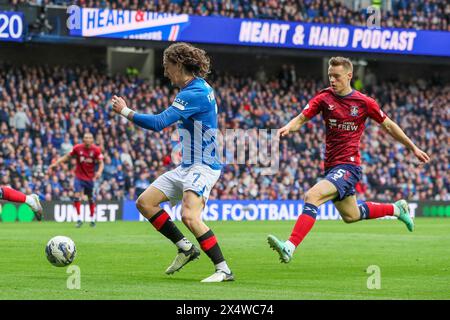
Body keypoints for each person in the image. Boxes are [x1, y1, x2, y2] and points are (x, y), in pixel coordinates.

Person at [268, 57, 430, 263]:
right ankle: (397, 209)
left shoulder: (364, 102)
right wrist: (288, 127)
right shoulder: (324, 98)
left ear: (349, 76)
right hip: (332, 167)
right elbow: (301, 119)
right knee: (351, 215)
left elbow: (389, 125)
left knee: (312, 196)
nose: (332, 80)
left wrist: (413, 147)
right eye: (330, 76)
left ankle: (289, 247)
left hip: (349, 166)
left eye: (337, 76)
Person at [111, 42, 233, 283]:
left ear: (178, 65)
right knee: (145, 203)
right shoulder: (197, 87)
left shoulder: (194, 93)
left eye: (167, 66)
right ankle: (185, 248)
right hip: (188, 165)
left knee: (189, 216)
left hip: (203, 166)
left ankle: (224, 269)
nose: (165, 72)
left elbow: (158, 123)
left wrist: (125, 111)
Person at [49, 132, 104, 228]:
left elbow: (101, 163)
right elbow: (67, 157)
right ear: (83, 139)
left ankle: (92, 219)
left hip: (90, 178)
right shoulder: (77, 148)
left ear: (92, 140)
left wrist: (99, 172)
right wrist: (56, 163)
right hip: (79, 177)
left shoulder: (96, 150)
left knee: (90, 198)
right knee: (77, 195)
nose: (87, 139)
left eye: (89, 137)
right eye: (85, 137)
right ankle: (79, 219)